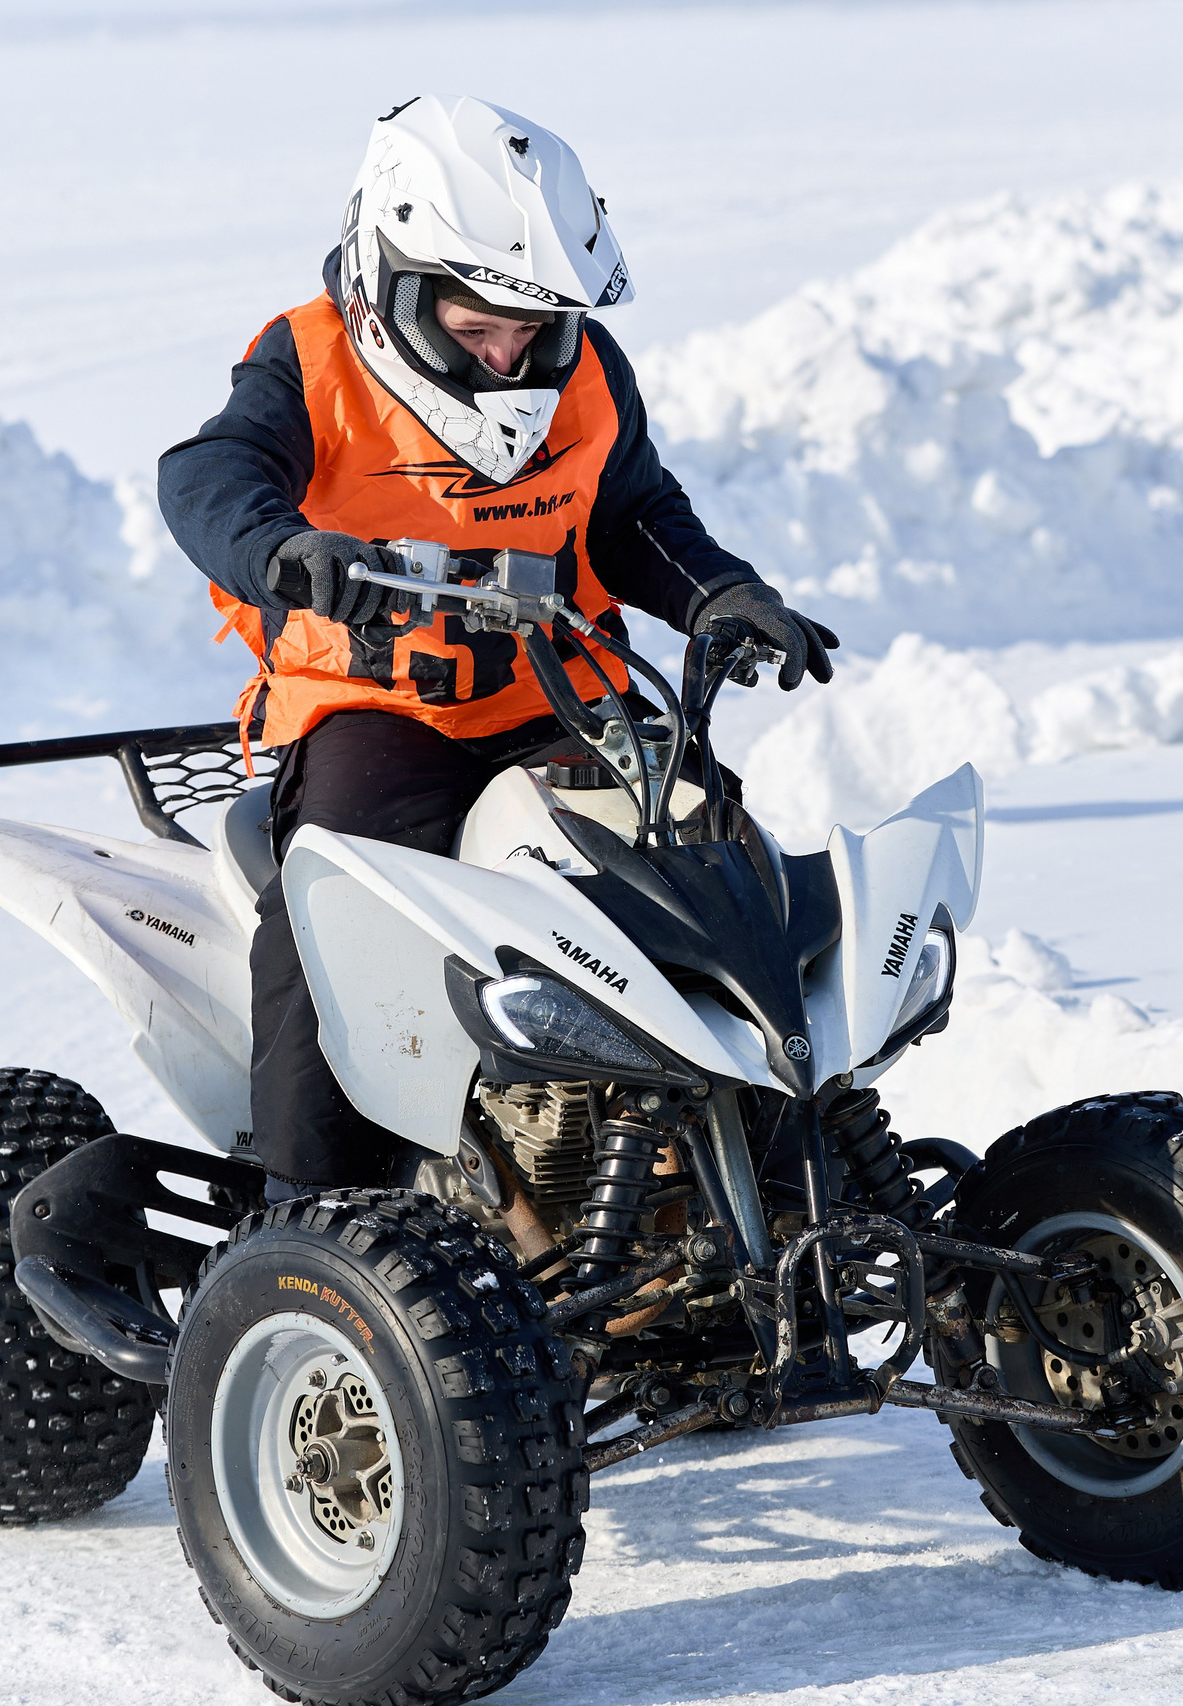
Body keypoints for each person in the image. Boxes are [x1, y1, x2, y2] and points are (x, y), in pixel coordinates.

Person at [158, 94, 837, 1197]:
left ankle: (791, 1171)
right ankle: (309, 1209)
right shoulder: (311, 359)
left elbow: (631, 517)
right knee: (340, 908)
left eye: (533, 332)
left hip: (568, 704)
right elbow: (205, 475)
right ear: (393, 288)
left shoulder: (588, 374)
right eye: (477, 330)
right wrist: (282, 550)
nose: (510, 355)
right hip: (388, 715)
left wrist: (720, 593)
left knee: (721, 867)